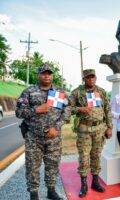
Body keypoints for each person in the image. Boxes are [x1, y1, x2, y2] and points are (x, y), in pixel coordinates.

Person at [15, 64, 71, 200]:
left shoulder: (59, 92)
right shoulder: (29, 92)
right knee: (32, 167)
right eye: (44, 73)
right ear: (38, 75)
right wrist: (36, 109)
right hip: (33, 137)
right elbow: (18, 112)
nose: (47, 75)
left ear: (52, 76)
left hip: (53, 138)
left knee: (53, 165)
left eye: (49, 73)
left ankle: (51, 191)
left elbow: (67, 111)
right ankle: (34, 194)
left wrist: (56, 127)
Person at [69, 69, 113, 198]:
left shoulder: (101, 91)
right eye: (88, 77)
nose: (91, 80)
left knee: (96, 155)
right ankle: (83, 185)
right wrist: (80, 109)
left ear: (96, 78)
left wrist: (109, 127)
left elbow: (107, 109)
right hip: (84, 129)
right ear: (84, 79)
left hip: (99, 129)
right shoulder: (77, 92)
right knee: (84, 157)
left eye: (93, 77)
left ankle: (95, 182)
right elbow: (68, 108)